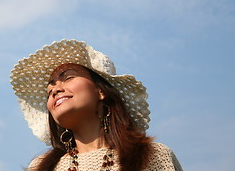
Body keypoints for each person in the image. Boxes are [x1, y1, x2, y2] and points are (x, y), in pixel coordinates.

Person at [10, 39, 182, 171]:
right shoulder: (41, 167)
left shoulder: (152, 156)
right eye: (49, 90)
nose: (55, 90)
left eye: (68, 77)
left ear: (101, 90)